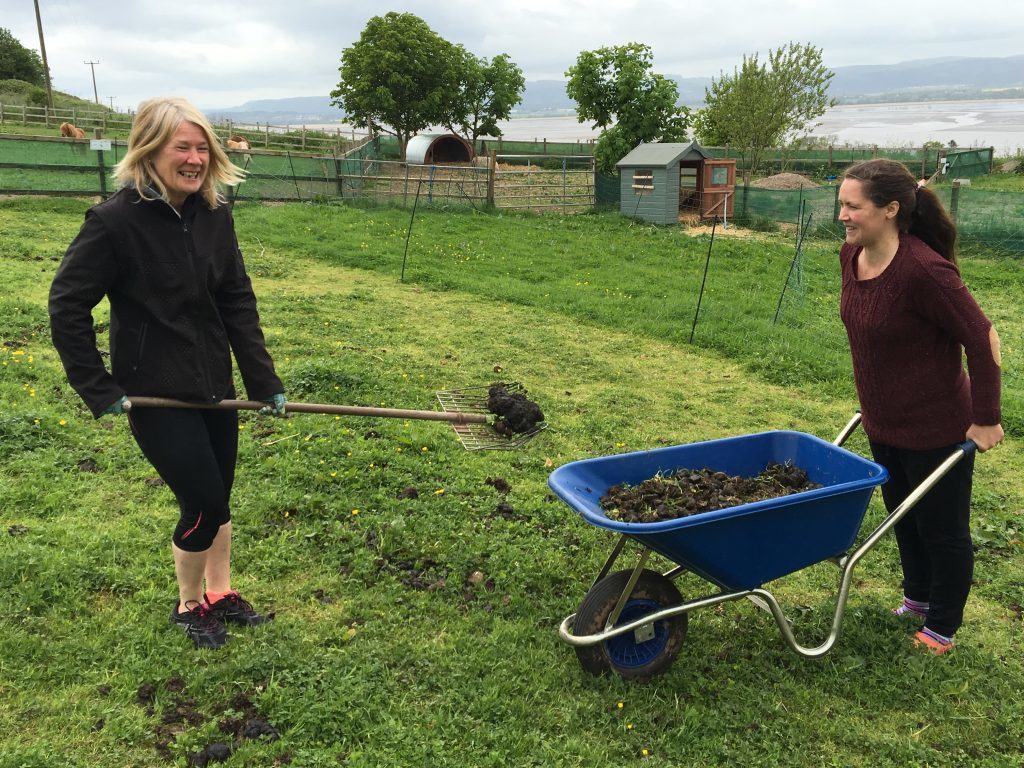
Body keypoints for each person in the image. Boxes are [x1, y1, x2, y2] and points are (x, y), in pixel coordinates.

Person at [49, 96, 287, 650]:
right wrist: (98, 387)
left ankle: (221, 594)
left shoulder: (214, 215)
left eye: (203, 146)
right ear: (150, 149)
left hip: (213, 386)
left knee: (221, 494)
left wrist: (263, 379)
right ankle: (187, 604)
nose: (195, 157)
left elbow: (236, 300)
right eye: (183, 145)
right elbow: (67, 304)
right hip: (154, 393)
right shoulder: (113, 222)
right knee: (203, 499)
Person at [837, 158, 1003, 655]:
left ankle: (943, 625)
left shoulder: (924, 270)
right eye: (841, 204)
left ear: (890, 209)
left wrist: (987, 417)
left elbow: (982, 337)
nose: (842, 215)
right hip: (883, 420)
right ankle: (918, 597)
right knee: (902, 518)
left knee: (942, 530)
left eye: (853, 206)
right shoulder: (852, 257)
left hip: (937, 426)